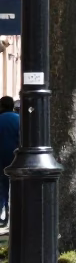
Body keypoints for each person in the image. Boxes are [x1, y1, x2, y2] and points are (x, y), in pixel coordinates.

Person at [0, 96, 18, 224]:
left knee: (2, 186)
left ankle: (3, 212)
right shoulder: (20, 119)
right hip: (17, 158)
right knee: (16, 186)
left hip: (1, 158)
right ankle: (14, 213)